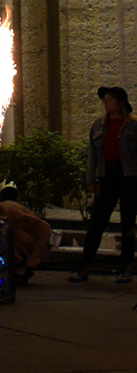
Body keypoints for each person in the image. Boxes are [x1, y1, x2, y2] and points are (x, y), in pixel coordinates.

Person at [69, 87, 137, 285]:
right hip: (107, 176)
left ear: (120, 103)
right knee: (97, 222)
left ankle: (126, 268)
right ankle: (84, 266)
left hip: (128, 178)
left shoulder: (132, 125)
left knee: (127, 225)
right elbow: (93, 154)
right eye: (104, 100)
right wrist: (90, 180)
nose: (106, 104)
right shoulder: (99, 125)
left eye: (110, 100)